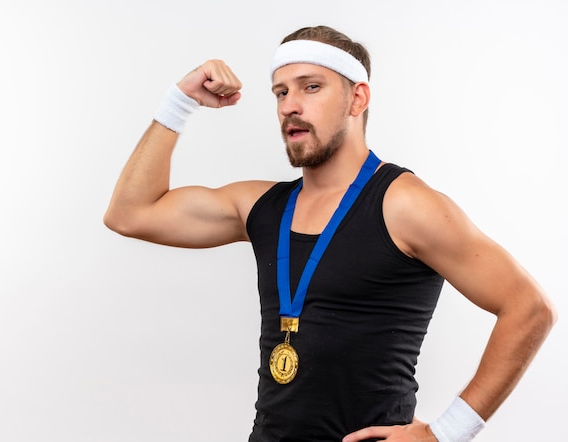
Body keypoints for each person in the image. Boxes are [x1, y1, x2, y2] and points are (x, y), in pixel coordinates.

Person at [104, 25, 556, 442]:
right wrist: (180, 101)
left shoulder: (405, 204)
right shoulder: (261, 206)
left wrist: (445, 433)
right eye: (280, 91)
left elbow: (529, 308)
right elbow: (130, 213)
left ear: (358, 99)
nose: (289, 105)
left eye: (311, 87)